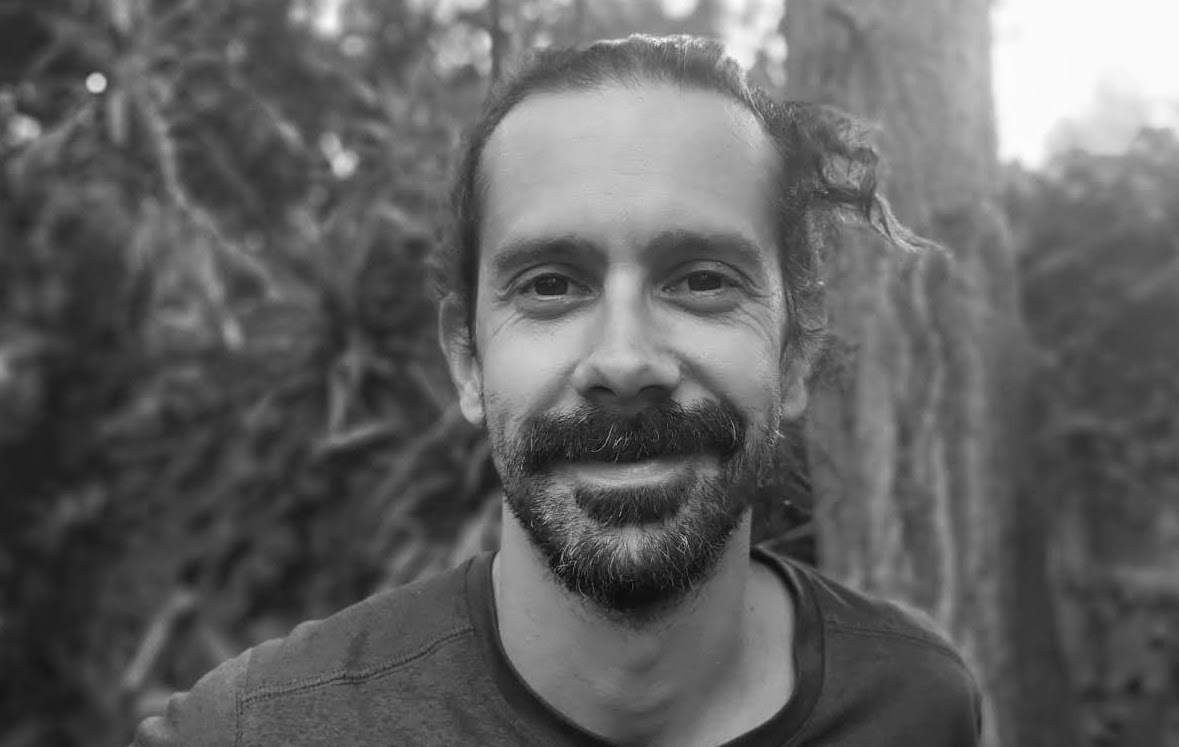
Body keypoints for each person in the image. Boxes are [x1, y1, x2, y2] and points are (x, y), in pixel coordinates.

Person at [132, 34, 982, 746]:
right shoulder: (253, 732)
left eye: (701, 280)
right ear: (467, 359)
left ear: (794, 352)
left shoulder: (912, 702)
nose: (624, 359)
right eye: (549, 285)